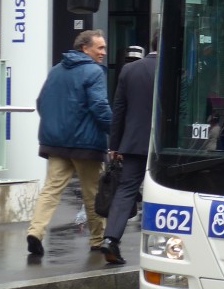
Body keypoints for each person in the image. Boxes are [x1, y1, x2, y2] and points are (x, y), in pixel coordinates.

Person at [26, 29, 111, 257]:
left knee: (51, 190)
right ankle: (97, 239)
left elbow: (41, 102)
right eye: (100, 47)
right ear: (85, 48)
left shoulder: (56, 70)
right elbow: (100, 107)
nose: (104, 52)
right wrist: (115, 132)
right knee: (92, 194)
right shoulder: (94, 71)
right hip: (86, 144)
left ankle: (35, 231)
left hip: (57, 143)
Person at [102, 31, 159, 265]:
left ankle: (110, 239)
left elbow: (119, 112)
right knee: (165, 193)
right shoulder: (175, 70)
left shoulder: (129, 70)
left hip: (133, 142)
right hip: (161, 146)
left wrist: (114, 146)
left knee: (126, 191)